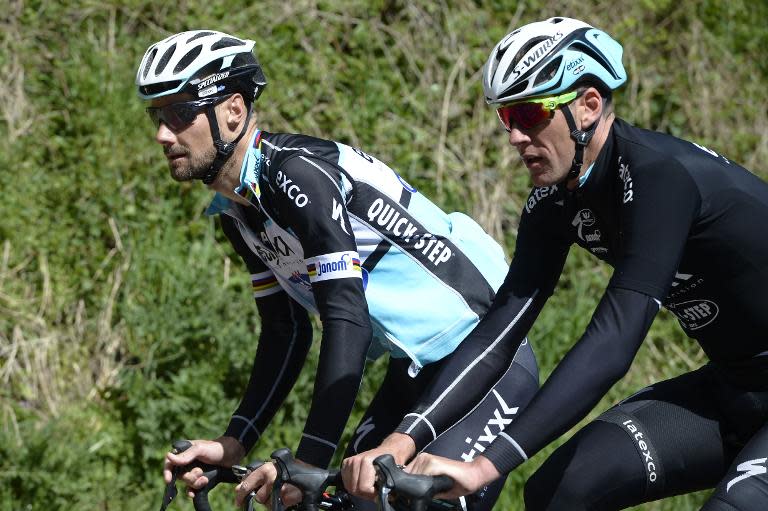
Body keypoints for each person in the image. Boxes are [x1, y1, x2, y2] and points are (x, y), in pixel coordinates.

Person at [345, 16, 768, 510]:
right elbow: (498, 333)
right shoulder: (554, 202)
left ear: (588, 106)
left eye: (530, 115)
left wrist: (484, 467)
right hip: (737, 385)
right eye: (507, 119)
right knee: (559, 491)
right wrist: (406, 437)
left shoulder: (659, 177)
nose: (515, 138)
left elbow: (614, 341)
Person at [135, 30, 540, 510]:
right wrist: (235, 440)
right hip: (415, 371)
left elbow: (347, 316)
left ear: (233, 111)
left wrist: (307, 463)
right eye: (157, 116)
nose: (163, 133)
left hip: (485, 355)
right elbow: (286, 332)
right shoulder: (238, 210)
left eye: (180, 113)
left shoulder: (297, 174)